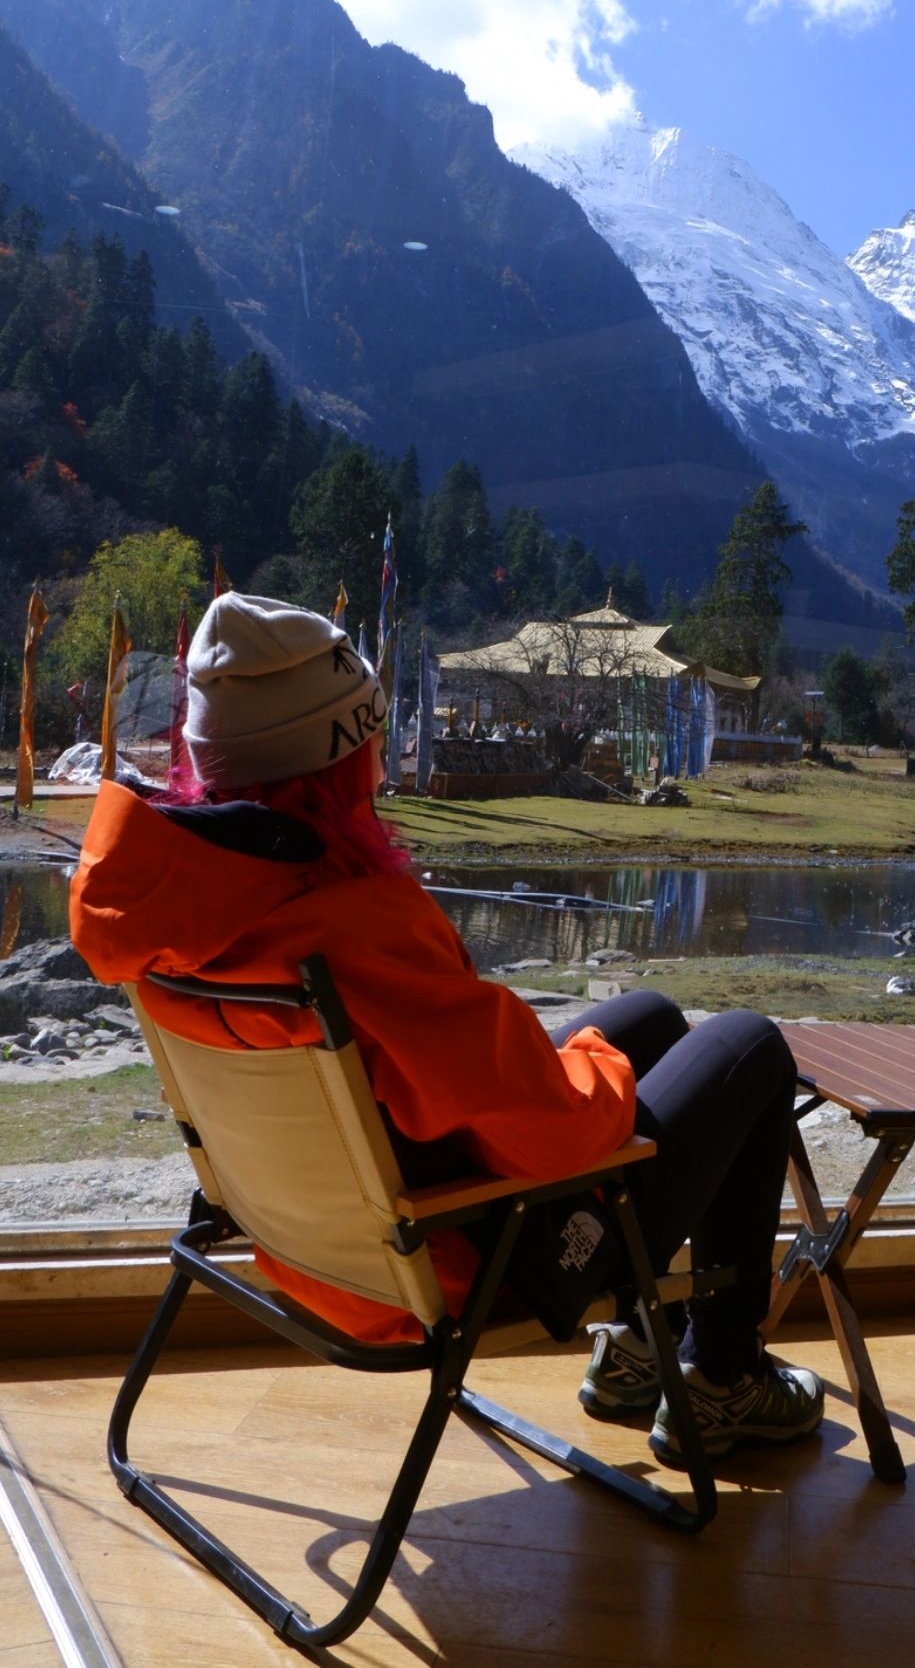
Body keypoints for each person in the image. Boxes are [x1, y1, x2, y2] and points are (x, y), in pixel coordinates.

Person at [70, 593, 822, 1467]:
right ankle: (723, 1375)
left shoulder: (186, 922)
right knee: (752, 1046)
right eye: (370, 744)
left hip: (310, 1246)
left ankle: (645, 1355)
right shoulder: (357, 931)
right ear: (337, 761)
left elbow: (453, 1071)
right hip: (468, 1253)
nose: (383, 765)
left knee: (652, 1015)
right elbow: (555, 1129)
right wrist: (596, 1069)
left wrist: (587, 1054)